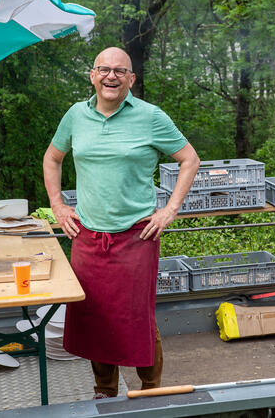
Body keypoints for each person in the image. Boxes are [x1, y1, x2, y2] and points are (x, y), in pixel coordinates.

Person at [43, 47, 200, 398]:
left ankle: (150, 390)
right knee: (94, 316)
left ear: (131, 78)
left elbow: (189, 159)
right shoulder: (75, 116)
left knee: (136, 319)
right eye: (104, 69)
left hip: (135, 237)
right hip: (87, 236)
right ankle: (105, 391)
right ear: (92, 75)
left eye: (119, 71)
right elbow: (52, 158)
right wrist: (58, 205)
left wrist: (169, 210)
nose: (111, 76)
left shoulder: (151, 117)